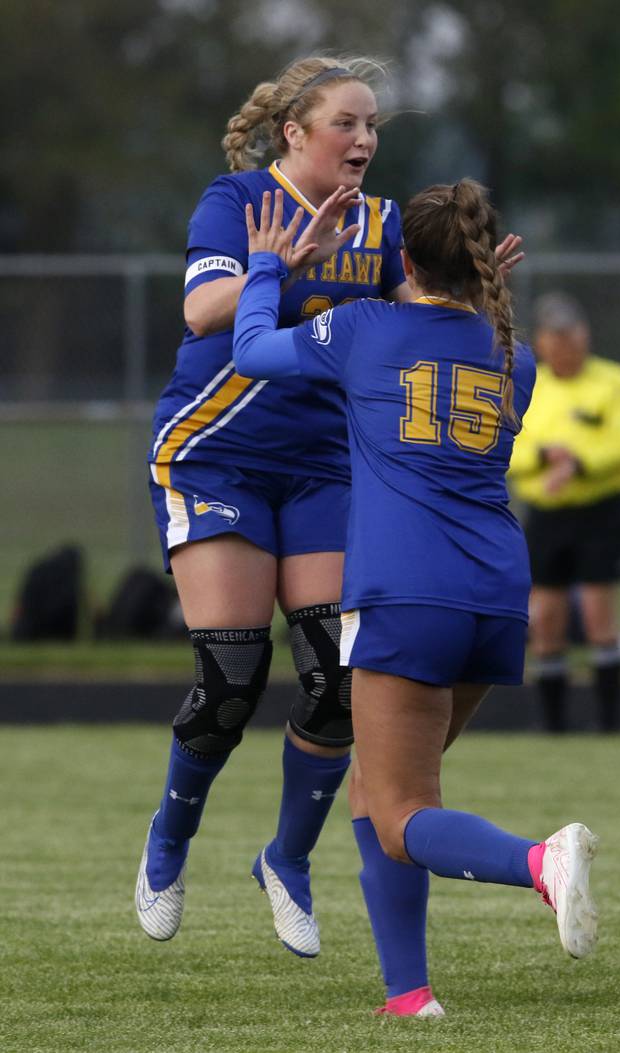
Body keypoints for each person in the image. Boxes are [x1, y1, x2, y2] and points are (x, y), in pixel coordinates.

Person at [232, 179, 599, 1016]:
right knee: (377, 785)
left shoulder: (364, 327)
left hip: (405, 589)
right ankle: (409, 993)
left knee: (400, 813)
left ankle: (539, 861)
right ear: (485, 266)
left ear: (401, 259)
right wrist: (465, 290)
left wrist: (264, 267)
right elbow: (447, 338)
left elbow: (251, 349)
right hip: (496, 593)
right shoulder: (518, 356)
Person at [135, 55, 411, 956]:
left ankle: (286, 860)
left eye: (372, 126)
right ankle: (169, 842)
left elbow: (417, 315)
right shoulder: (239, 201)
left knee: (335, 678)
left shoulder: (381, 221)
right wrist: (277, 266)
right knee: (233, 680)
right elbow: (206, 312)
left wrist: (476, 301)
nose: (364, 140)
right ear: (295, 133)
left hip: (323, 465)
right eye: (347, 123)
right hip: (216, 457)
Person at [508, 292, 620, 732]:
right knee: (545, 617)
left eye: (571, 334)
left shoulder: (615, 381)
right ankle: (554, 727)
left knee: (600, 612)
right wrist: (546, 457)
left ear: (585, 336)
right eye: (555, 336)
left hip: (600, 510)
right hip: (547, 513)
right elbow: (512, 445)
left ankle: (609, 724)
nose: (565, 344)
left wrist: (579, 463)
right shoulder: (528, 381)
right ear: (541, 342)